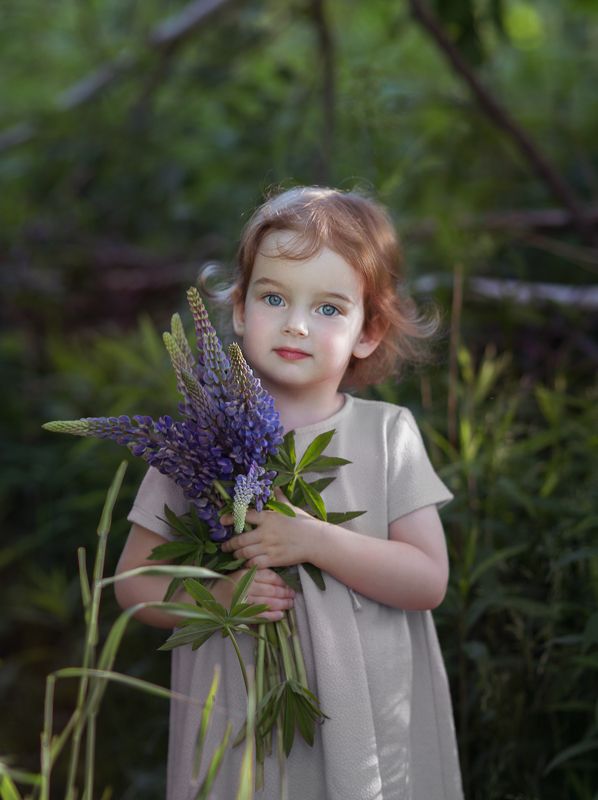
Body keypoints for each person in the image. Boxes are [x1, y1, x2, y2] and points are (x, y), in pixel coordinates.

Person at [115, 186, 464, 800]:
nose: (297, 323)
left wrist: (312, 539)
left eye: (329, 308)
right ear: (242, 310)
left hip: (367, 722)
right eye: (274, 297)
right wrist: (220, 596)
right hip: (238, 712)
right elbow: (132, 584)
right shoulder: (198, 443)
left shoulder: (387, 436)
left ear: (369, 330)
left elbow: (427, 580)